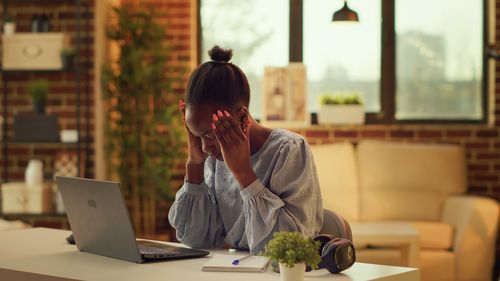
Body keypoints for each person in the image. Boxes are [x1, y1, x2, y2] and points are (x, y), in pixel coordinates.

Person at [168, 45, 323, 254]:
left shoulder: (289, 151)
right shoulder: (212, 158)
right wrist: (195, 165)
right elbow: (197, 239)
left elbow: (291, 247)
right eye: (197, 135)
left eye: (210, 136)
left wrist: (244, 173)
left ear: (241, 117)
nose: (205, 147)